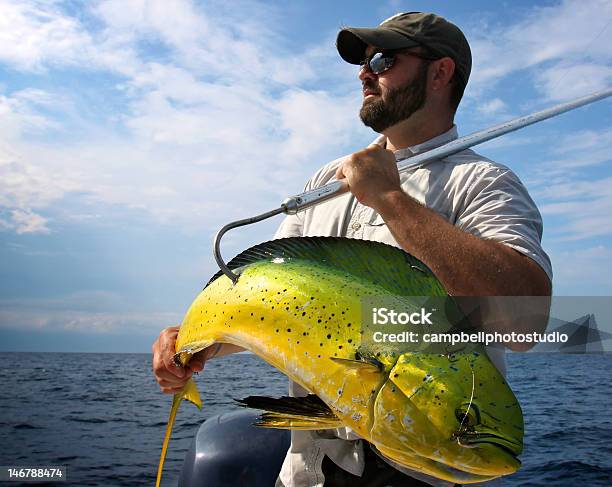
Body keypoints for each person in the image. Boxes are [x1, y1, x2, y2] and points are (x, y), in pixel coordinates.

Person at [152, 11, 552, 487]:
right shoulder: (326, 182)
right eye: (363, 62)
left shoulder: (485, 183)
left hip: (419, 469)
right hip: (308, 468)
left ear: (440, 73)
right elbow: (266, 303)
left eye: (383, 59)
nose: (365, 72)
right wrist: (199, 346)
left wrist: (390, 198)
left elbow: (525, 321)